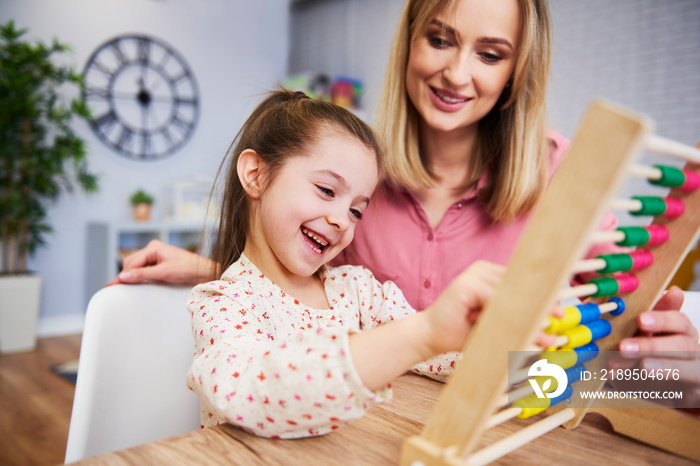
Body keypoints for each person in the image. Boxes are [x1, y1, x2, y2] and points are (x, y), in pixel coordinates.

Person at [110, 0, 698, 370]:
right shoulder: (357, 181)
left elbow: (591, 362)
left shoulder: (568, 178)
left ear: (517, 71)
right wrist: (214, 270)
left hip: (511, 412)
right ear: (410, 42)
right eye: (440, 39)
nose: (457, 73)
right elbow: (316, 297)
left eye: (490, 53)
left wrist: (662, 376)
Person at [185, 89, 515, 438]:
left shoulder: (359, 292)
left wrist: (544, 372)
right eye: (327, 190)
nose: (343, 220)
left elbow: (443, 354)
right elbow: (252, 394)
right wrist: (422, 334)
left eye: (357, 210)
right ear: (256, 175)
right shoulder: (222, 304)